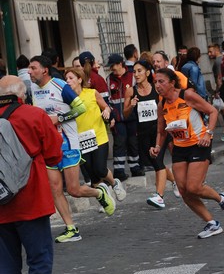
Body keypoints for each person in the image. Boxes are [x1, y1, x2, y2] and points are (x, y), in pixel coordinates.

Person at [29, 55, 116, 243]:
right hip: (48, 146)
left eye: (33, 68)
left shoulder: (60, 86)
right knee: (55, 189)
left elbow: (80, 108)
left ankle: (99, 192)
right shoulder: (33, 89)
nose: (29, 71)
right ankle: (71, 228)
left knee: (74, 190)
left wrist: (58, 119)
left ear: (44, 70)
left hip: (68, 143)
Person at [0, 75, 64, 274]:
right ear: (21, 94)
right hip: (30, 199)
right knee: (39, 256)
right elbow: (53, 155)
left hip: (1, 204)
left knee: (6, 262)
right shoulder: (32, 115)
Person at [150, 68, 224, 238]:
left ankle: (222, 199)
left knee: (194, 187)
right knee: (183, 191)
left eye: (161, 81)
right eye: (155, 82)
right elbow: (161, 131)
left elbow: (212, 111)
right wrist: (157, 147)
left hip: (199, 143)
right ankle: (212, 223)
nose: (157, 85)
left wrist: (208, 133)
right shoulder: (162, 105)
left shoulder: (187, 96)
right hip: (179, 148)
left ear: (172, 83)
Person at [64, 67, 126, 200]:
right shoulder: (66, 99)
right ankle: (106, 199)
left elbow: (105, 106)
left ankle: (115, 183)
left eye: (71, 78)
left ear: (80, 79)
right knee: (92, 175)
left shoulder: (92, 93)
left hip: (98, 136)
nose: (68, 81)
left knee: (100, 169)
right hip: (80, 140)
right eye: (66, 79)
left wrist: (107, 112)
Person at [123, 60, 178, 208]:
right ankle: (175, 181)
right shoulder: (131, 91)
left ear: (147, 72)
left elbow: (168, 102)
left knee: (158, 161)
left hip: (159, 131)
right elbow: (125, 113)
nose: (136, 74)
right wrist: (131, 105)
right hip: (142, 132)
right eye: (134, 72)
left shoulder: (156, 89)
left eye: (139, 71)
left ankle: (159, 196)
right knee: (155, 162)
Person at [106, 53, 144, 179]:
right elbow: (109, 100)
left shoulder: (132, 76)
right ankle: (119, 170)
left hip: (132, 117)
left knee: (133, 142)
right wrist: (113, 115)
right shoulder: (109, 79)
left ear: (120, 64)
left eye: (113, 66)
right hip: (118, 119)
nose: (112, 69)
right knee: (119, 143)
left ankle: (135, 168)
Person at [208, 43, 224, 138]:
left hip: (223, 88)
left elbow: (219, 77)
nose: (209, 54)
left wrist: (217, 90)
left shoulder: (218, 61)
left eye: (211, 51)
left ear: (217, 50)